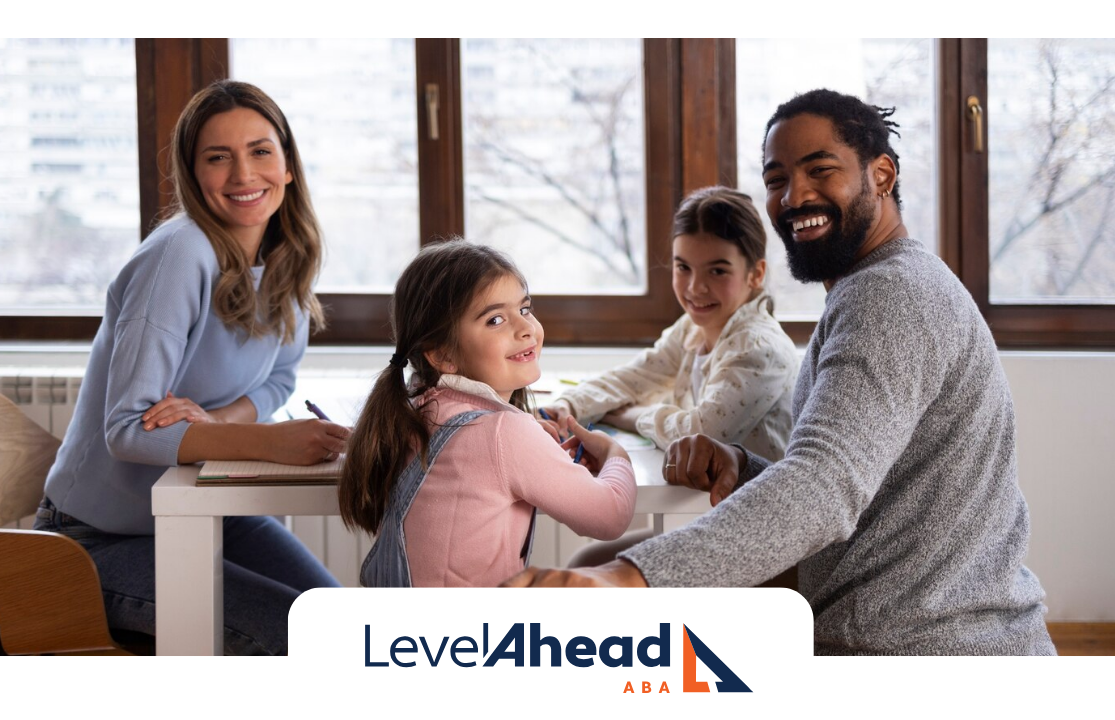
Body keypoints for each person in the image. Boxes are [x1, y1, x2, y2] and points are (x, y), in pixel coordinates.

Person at [505, 89, 1056, 656]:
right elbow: (866, 481)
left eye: (820, 170)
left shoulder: (890, 295)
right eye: (776, 180)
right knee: (600, 578)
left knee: (614, 619)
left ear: (882, 175)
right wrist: (744, 466)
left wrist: (630, 581)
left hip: (928, 646)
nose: (795, 196)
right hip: (893, 617)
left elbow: (825, 484)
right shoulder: (875, 287)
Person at [35, 80, 346, 655]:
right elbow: (128, 430)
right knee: (303, 641)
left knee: (345, 629)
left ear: (288, 166)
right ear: (193, 174)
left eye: (259, 151)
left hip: (204, 513)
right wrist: (265, 442)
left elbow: (279, 378)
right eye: (217, 157)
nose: (243, 175)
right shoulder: (178, 254)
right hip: (96, 540)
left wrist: (214, 422)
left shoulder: (287, 254)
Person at [338, 240, 637, 587]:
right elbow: (609, 517)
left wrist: (531, 442)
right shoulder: (503, 433)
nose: (525, 328)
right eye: (495, 319)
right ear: (442, 355)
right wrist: (616, 455)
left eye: (524, 309)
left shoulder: (416, 407)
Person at [536, 186, 798, 460]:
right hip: (701, 497)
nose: (696, 288)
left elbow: (702, 435)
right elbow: (635, 377)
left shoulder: (759, 348)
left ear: (756, 274)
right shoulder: (693, 328)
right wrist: (568, 405)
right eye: (683, 267)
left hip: (759, 498)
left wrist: (634, 416)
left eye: (717, 271)